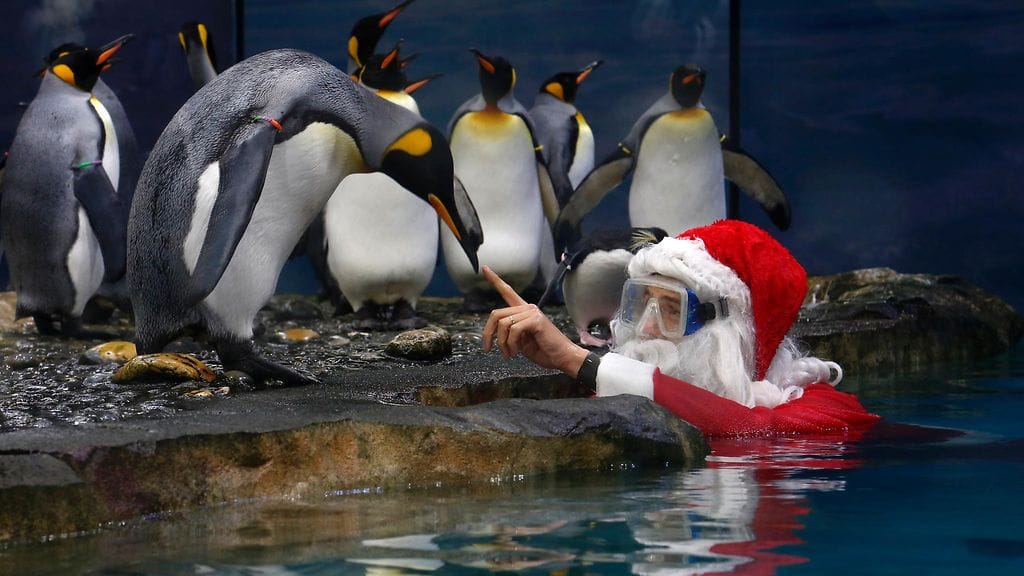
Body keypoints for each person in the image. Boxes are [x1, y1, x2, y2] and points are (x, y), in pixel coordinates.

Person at [481, 219, 879, 437]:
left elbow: (751, 430)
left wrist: (574, 358)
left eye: (672, 309)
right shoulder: (620, 394)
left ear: (736, 331)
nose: (648, 327)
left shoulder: (826, 414)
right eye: (639, 303)